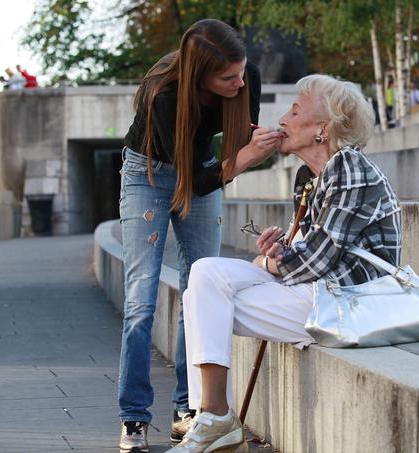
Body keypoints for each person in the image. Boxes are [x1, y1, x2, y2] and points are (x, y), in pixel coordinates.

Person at [168, 74, 401, 452]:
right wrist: (279, 252)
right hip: (314, 291)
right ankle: (213, 414)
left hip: (347, 303)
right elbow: (305, 257)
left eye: (295, 111)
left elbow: (319, 259)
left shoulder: (350, 169)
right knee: (204, 274)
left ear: (322, 129)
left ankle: (214, 420)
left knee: (206, 301)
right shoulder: (309, 177)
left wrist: (270, 263)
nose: (282, 121)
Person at [117, 18, 281, 453]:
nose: (240, 82)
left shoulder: (247, 77)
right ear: (199, 76)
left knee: (199, 286)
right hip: (148, 174)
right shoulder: (165, 96)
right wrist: (247, 156)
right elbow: (197, 181)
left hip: (202, 166)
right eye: (228, 78)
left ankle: (187, 410)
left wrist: (261, 143)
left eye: (242, 72)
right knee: (141, 299)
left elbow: (233, 148)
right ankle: (134, 417)